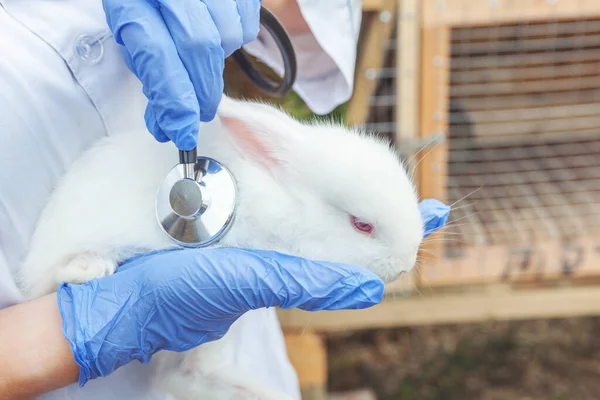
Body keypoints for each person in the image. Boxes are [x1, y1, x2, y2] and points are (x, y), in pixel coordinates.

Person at [0, 1, 448, 399]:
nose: (407, 265)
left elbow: (304, 20)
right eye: (364, 226)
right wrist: (84, 329)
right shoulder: (274, 174)